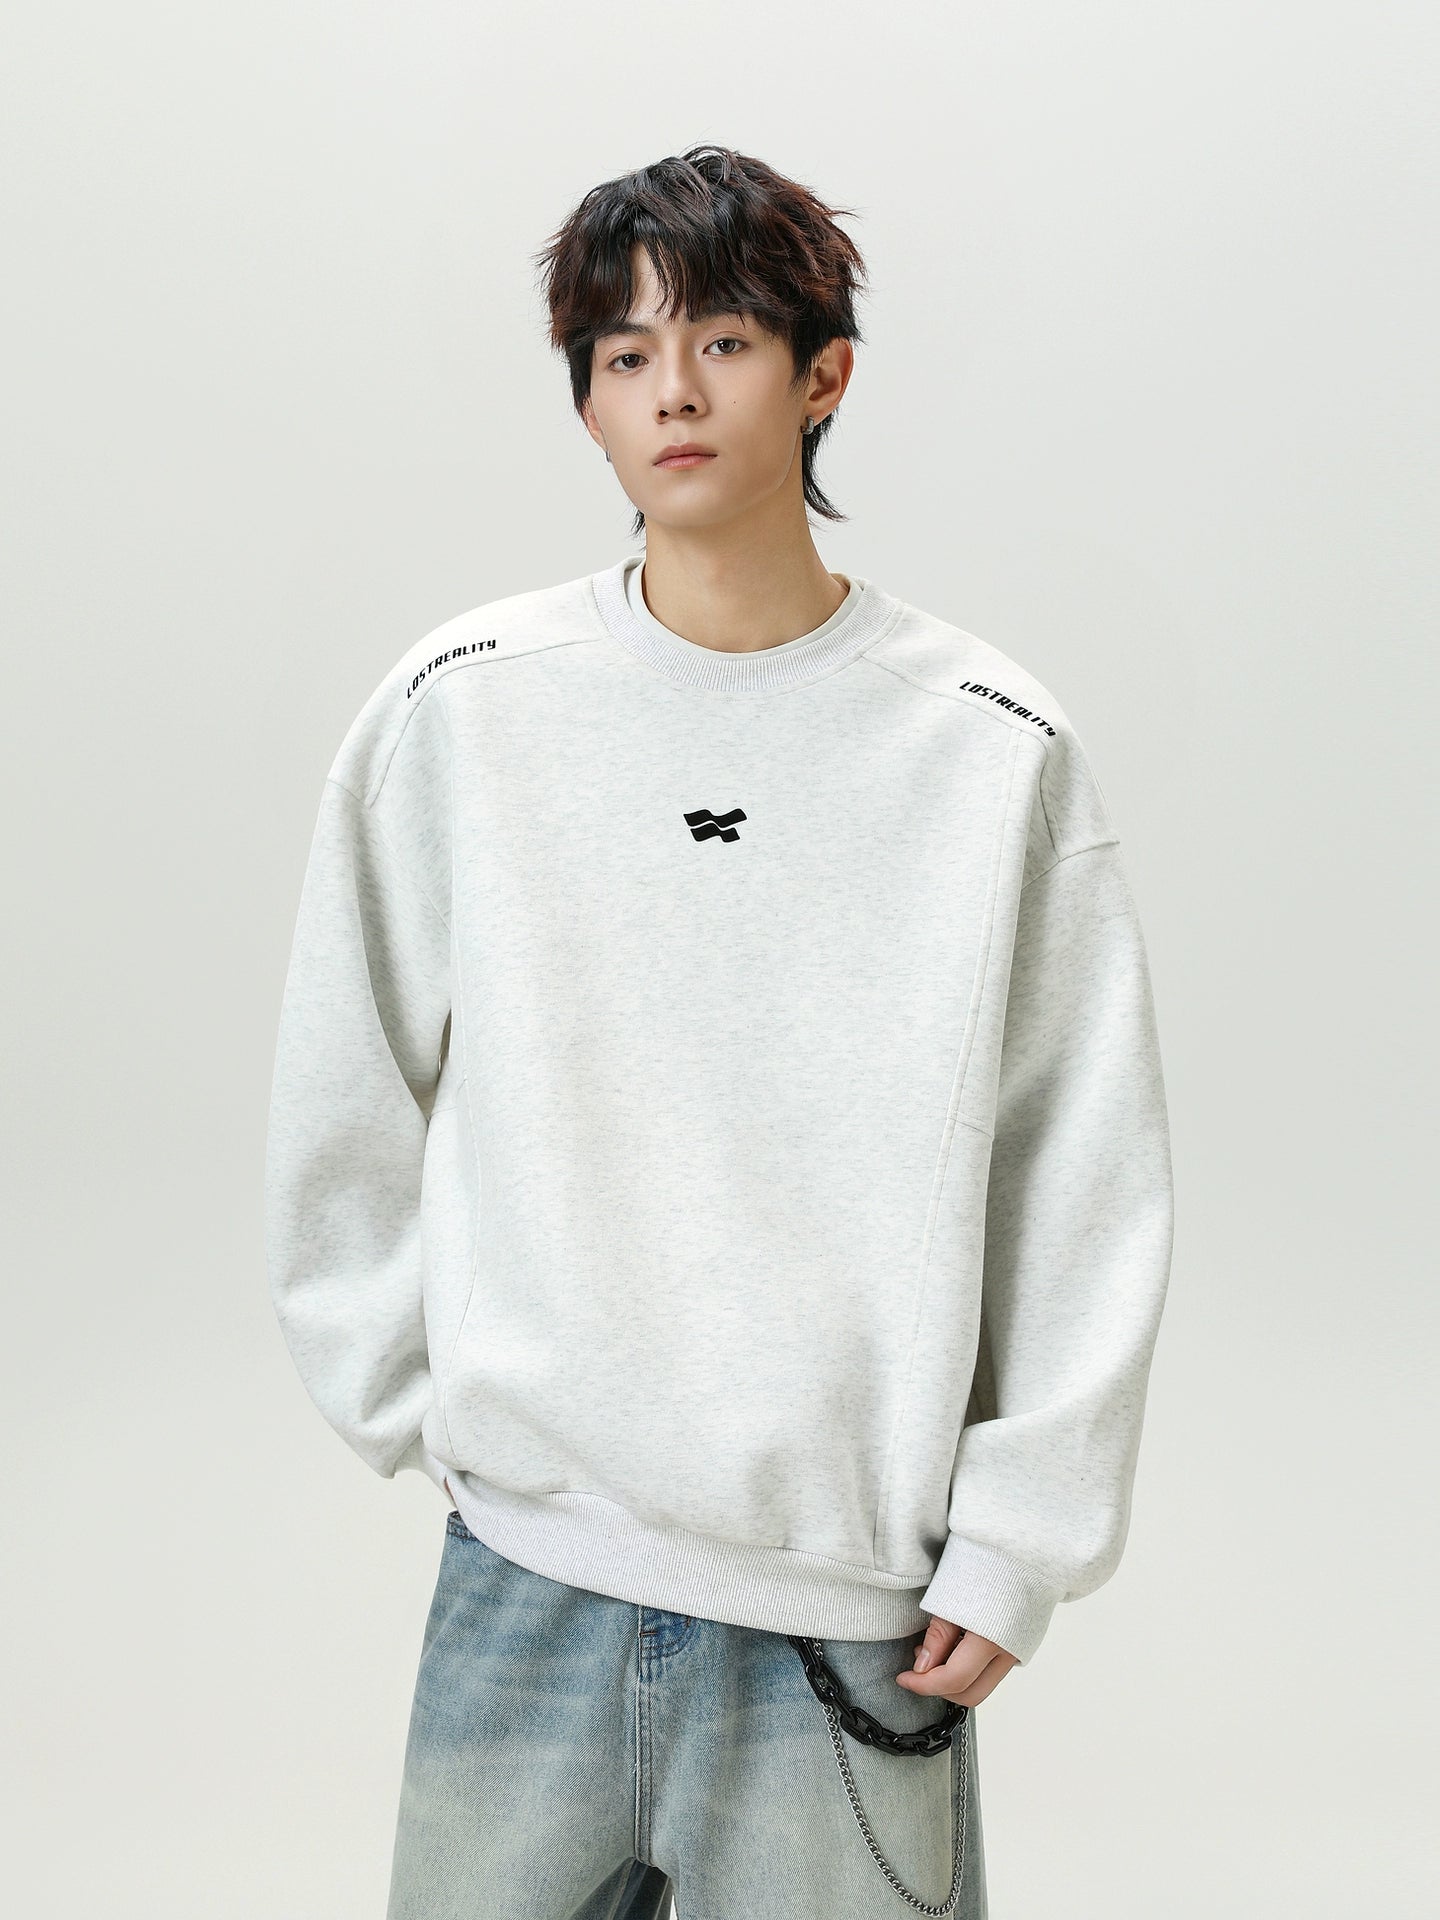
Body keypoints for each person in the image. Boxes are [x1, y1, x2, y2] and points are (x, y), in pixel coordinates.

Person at [264, 144, 1175, 1920]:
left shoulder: (986, 746)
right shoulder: (466, 711)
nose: (671, 390)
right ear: (587, 404)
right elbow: (341, 1079)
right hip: (524, 1584)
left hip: (849, 1625)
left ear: (826, 375)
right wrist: (436, 1414)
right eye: (624, 354)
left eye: (725, 341)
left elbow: (1082, 1164)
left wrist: (1023, 1536)